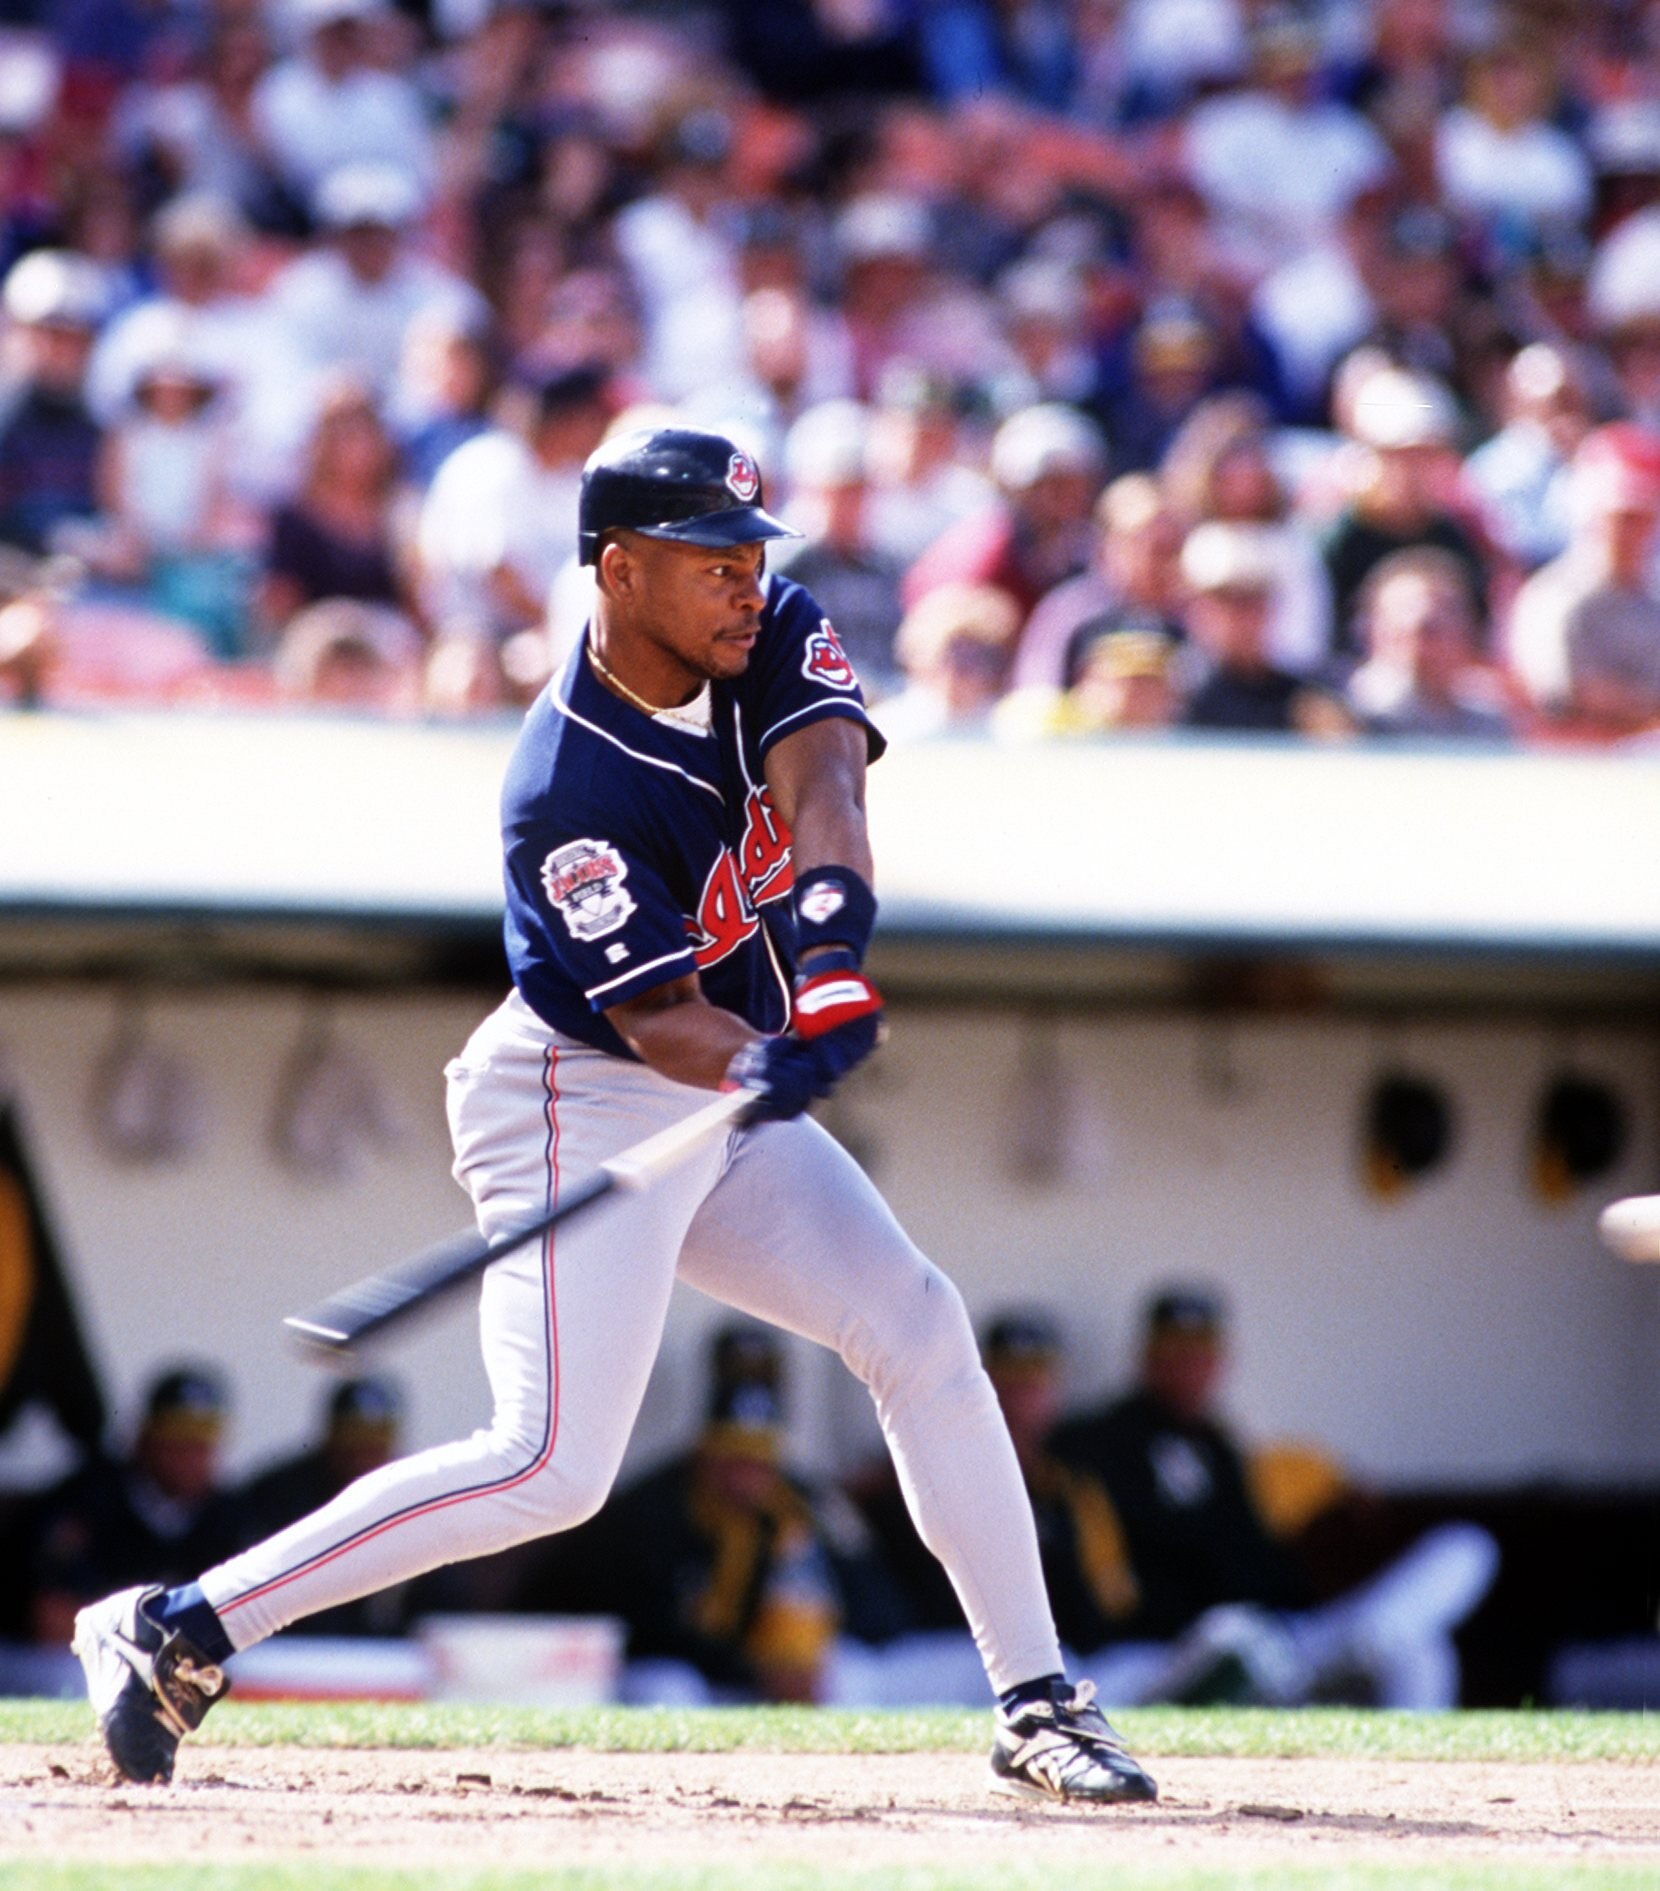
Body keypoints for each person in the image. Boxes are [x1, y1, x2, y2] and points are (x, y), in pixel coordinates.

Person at [71, 424, 1156, 1808]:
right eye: (710, 558)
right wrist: (767, 1058)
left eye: (751, 554)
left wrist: (825, 961)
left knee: (920, 1322)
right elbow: (661, 1027)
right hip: (574, 1092)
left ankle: (1037, 1698)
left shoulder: (759, 629)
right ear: (621, 567)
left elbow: (825, 778)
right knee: (546, 1464)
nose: (744, 582)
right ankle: (178, 1623)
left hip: (721, 1089)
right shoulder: (562, 789)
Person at [1057, 1288, 1500, 1710]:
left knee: (1458, 1563)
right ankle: (1366, 1643)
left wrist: (1346, 1486)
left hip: (1289, 1637)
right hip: (1181, 1647)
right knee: (1230, 1637)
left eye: (1202, 1351)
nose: (1191, 1364)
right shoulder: (1097, 1442)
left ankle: (1379, 1654)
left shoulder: (1226, 1446)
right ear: (1148, 1356)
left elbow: (1307, 1476)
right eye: (1177, 1351)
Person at [27, 1367, 249, 1653]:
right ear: (146, 1436)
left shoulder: (229, 1515)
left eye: (202, 1440)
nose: (190, 1454)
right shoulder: (92, 1499)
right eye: (177, 1437)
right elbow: (52, 1617)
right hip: (69, 1666)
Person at [1507, 422, 1660, 736]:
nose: (1629, 530)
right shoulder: (1554, 596)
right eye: (1619, 517)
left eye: (1640, 517)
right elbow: (1558, 698)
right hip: (1576, 767)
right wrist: (1645, 713)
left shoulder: (1652, 596)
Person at [237, 1377, 408, 1636]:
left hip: (380, 1662)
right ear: (331, 1436)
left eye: (375, 1443)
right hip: (292, 1652)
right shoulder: (280, 1494)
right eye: (353, 1441)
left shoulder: (407, 1493)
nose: (363, 1455)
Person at [1343, 549, 1512, 739]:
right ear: (1371, 632)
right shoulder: (1347, 715)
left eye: (1436, 629)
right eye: (1410, 631)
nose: (1422, 646)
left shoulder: (1488, 719)